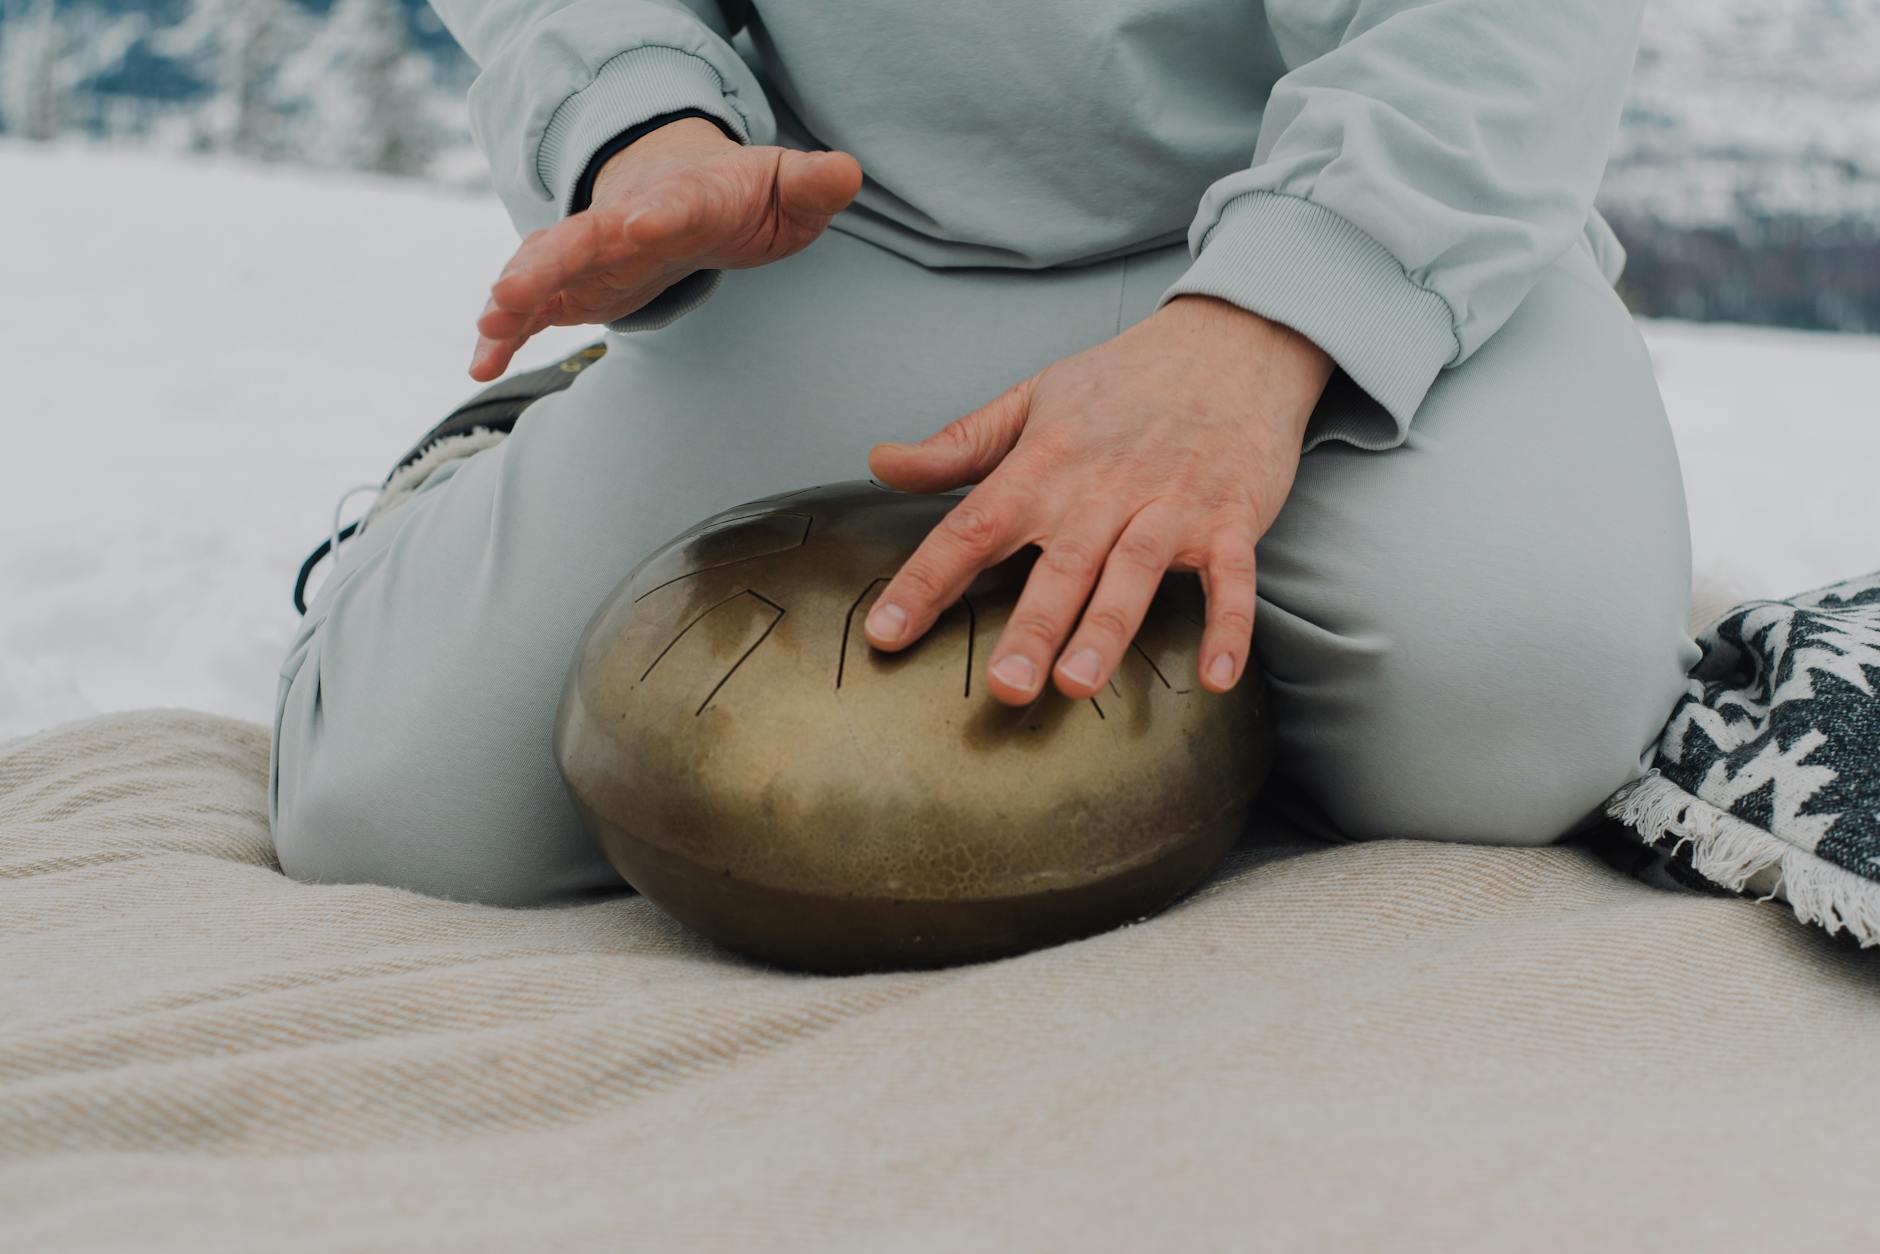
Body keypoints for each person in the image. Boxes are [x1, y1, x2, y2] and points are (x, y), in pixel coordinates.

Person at [268, 0, 1701, 905]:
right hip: (851, 235)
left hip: (1365, 232)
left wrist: (1268, 327)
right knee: (398, 815)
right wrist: (644, 122)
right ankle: (499, 464)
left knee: (1524, 724)